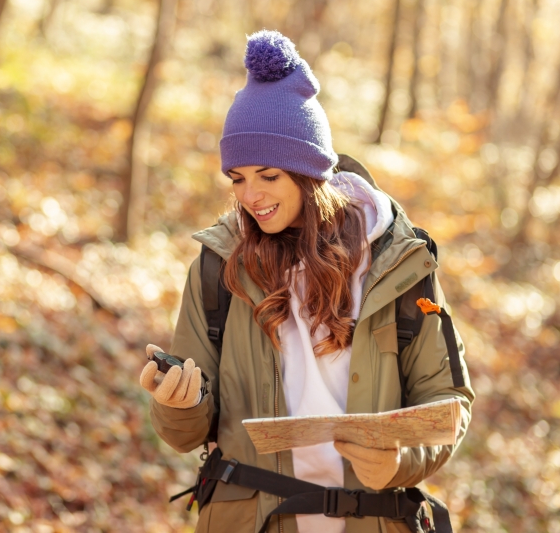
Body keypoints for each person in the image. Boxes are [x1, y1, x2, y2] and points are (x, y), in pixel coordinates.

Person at [139, 30, 474, 533]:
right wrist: (179, 404)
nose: (250, 195)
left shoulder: (399, 263)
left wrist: (401, 459)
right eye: (237, 177)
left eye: (268, 175)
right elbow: (187, 433)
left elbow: (448, 400)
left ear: (308, 172)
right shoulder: (218, 267)